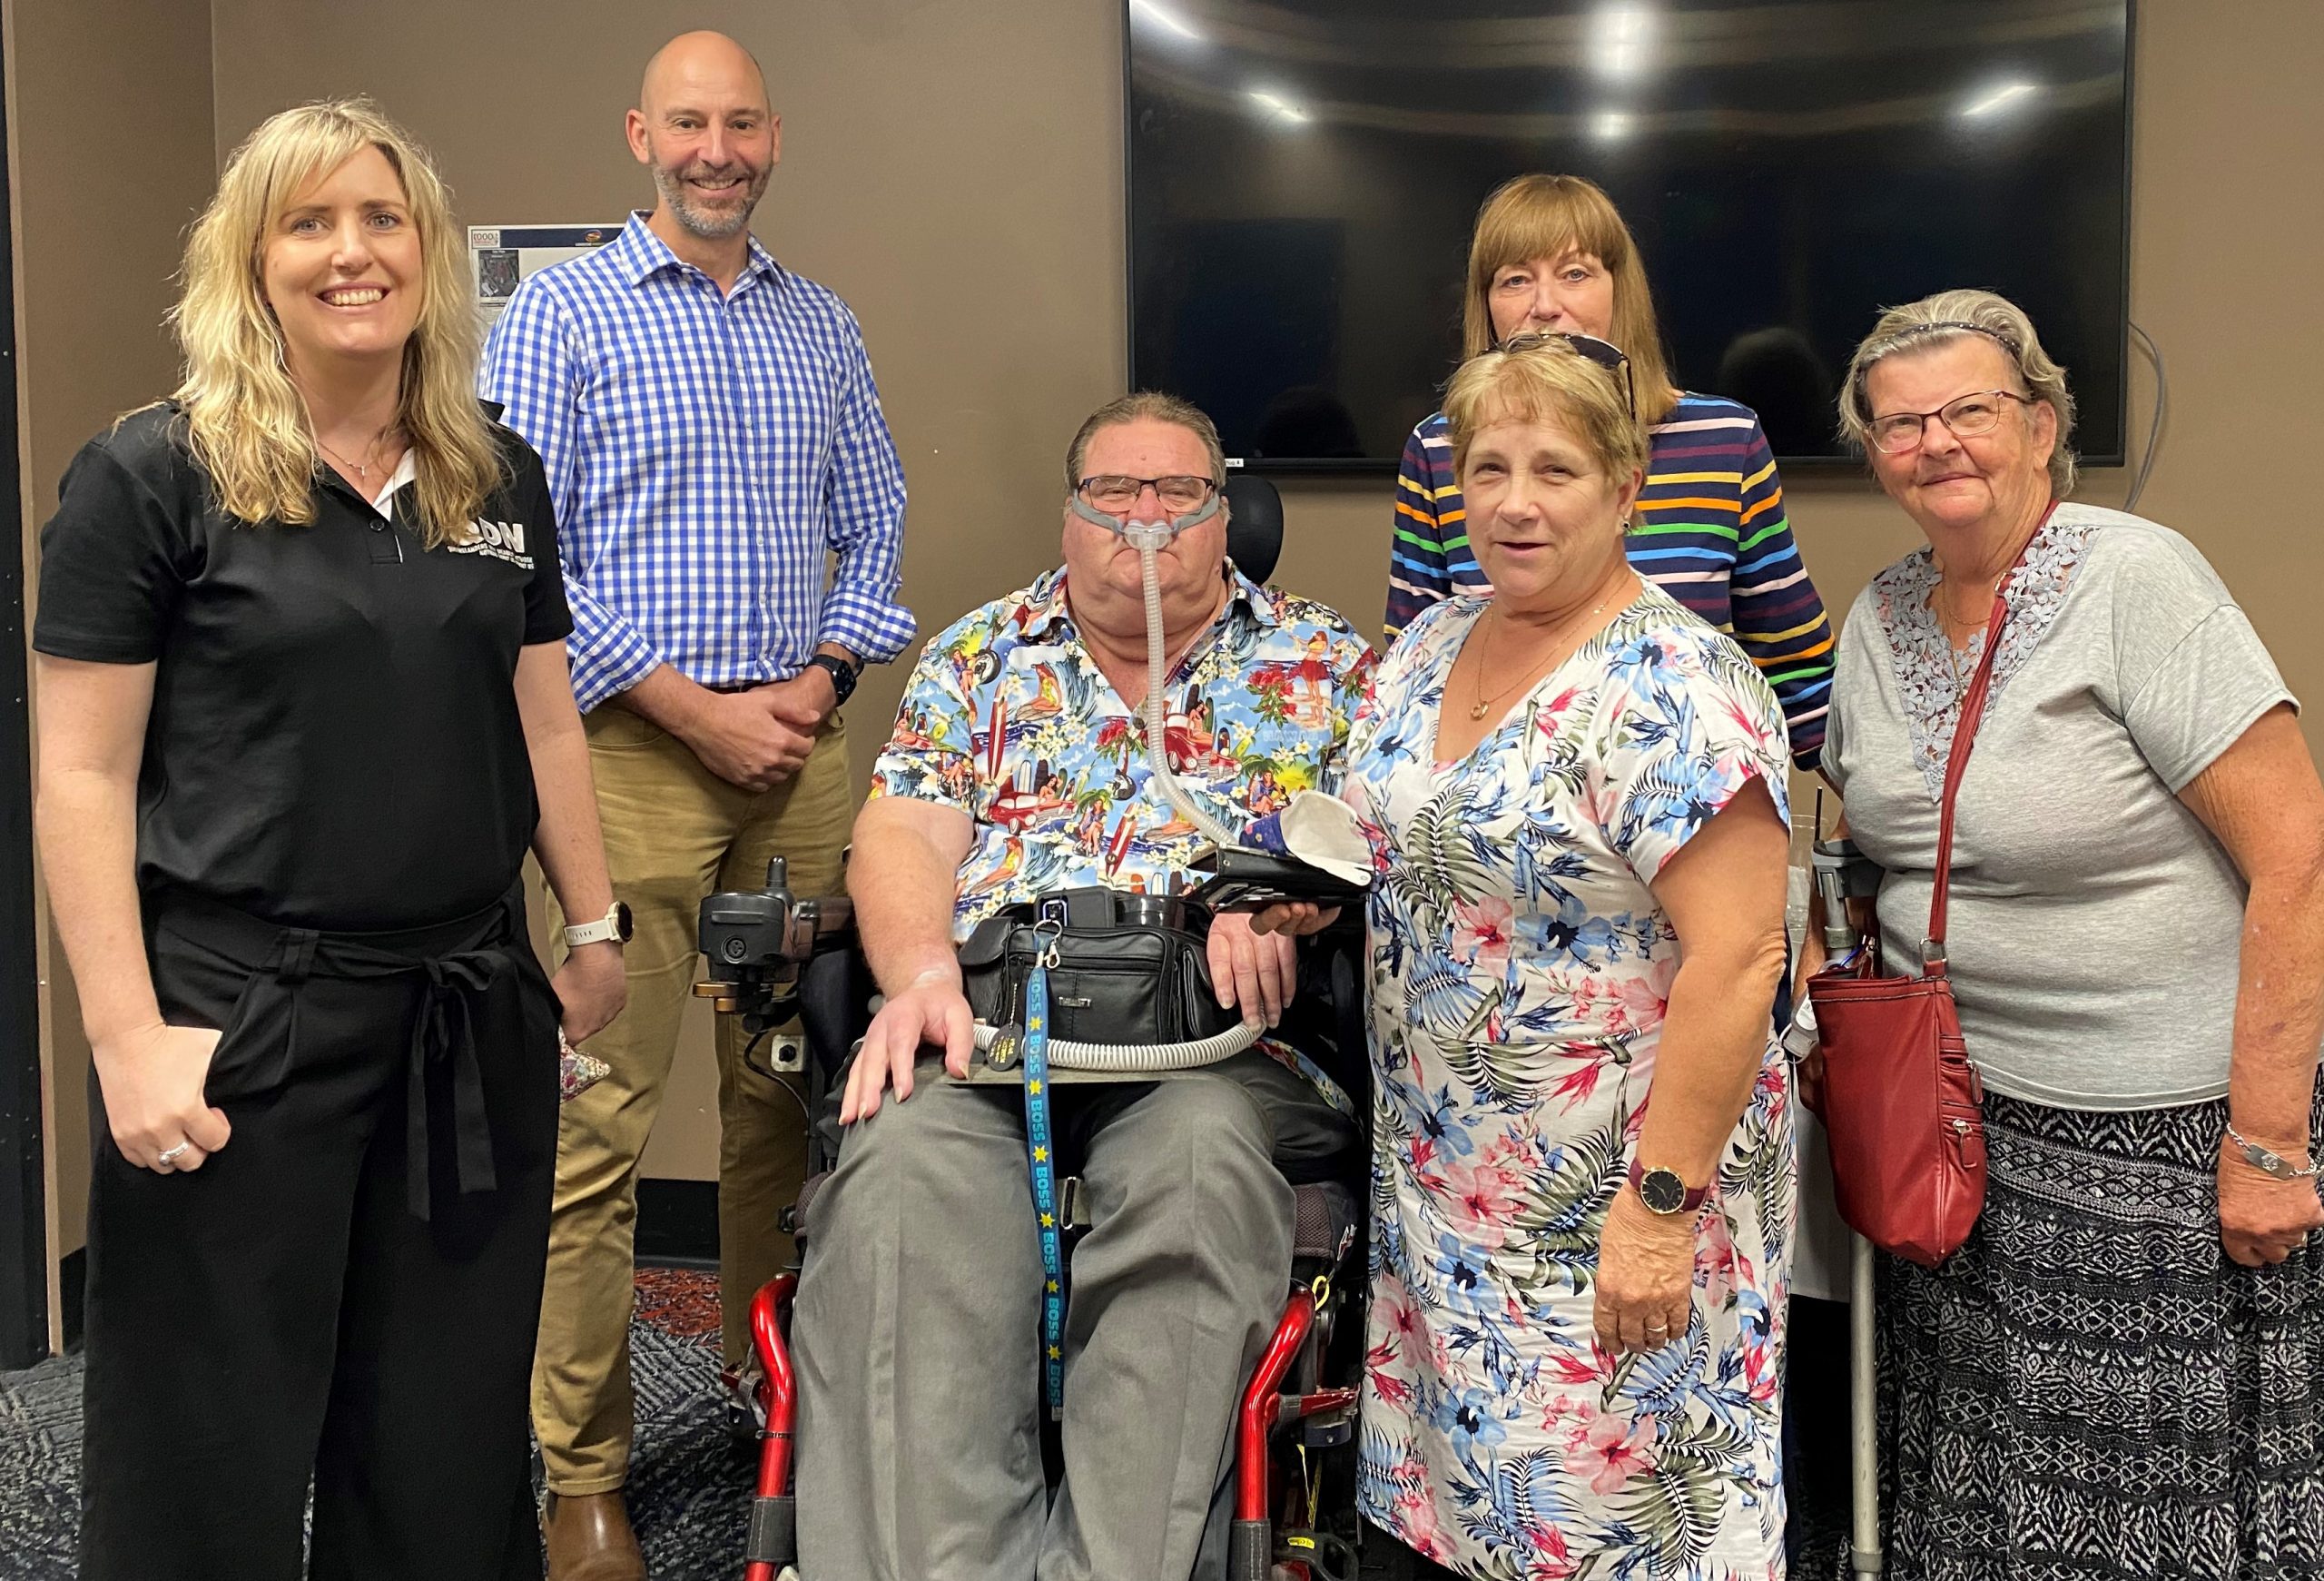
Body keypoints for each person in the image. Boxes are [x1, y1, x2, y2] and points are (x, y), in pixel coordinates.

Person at [31, 101, 624, 1580]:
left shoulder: (497, 476)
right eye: (310, 222)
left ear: (428, 252)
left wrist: (594, 923)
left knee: (441, 1439)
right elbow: (82, 778)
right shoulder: (152, 476)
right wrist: (124, 1040)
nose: (352, 252)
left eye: (383, 218)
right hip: (243, 1016)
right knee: (207, 1445)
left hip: (467, 1007)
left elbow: (543, 718)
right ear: (252, 258)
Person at [790, 392, 1373, 1581]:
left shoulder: (1329, 665)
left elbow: (1370, 844)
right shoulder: (978, 656)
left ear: (1227, 516)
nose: (1143, 519)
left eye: (1176, 494)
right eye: (1114, 494)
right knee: (897, 1181)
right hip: (994, 1023)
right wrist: (917, 977)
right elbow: (900, 835)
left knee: (1201, 1182)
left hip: (1211, 1050)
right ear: (1069, 518)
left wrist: (1281, 902)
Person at [479, 33, 912, 1575]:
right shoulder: (560, 318)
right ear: (639, 135)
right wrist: (690, 707)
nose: (715, 148)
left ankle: (763, 1386)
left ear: (774, 137)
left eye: (740, 122)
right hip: (624, 764)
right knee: (593, 1127)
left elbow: (877, 526)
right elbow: (510, 551)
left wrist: (821, 683)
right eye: (688, 123)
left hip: (801, 761)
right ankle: (580, 1468)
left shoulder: (822, 322)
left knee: (792, 1105)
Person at [1807, 289, 2324, 1579]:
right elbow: (1869, 846)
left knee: (2152, 1524)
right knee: (1984, 1510)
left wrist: (2267, 1138)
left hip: (2165, 1148)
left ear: (2042, 425)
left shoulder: (2134, 579)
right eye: (1900, 423)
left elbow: (2299, 853)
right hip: (1966, 1144)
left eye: (1969, 410)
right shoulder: (1876, 618)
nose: (1936, 444)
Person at [1298, 337, 1797, 1576]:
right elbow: (1380, 837)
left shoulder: (1675, 687)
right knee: (1469, 1504)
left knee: (1613, 1517)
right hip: (1446, 1184)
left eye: (1557, 470)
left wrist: (1657, 1209)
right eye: (1489, 468)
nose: (1515, 503)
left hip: (1617, 1196)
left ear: (1626, 490)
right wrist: (1290, 901)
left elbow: (1741, 959)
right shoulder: (1428, 644)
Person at [1386, 173, 1834, 769]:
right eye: (1515, 279)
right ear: (1486, 306)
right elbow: (1412, 672)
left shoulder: (1724, 440)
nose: (1544, 307)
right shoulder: (1439, 446)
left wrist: (1849, 820)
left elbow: (1797, 667)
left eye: (1574, 273)